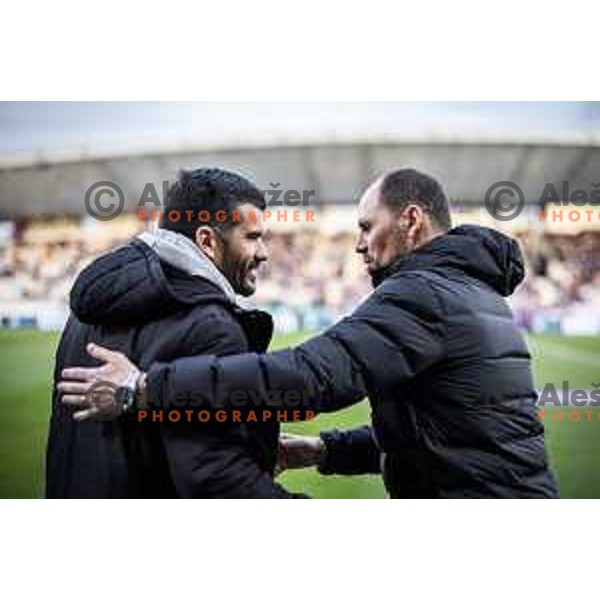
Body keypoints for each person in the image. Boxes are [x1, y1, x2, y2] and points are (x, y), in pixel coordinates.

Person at [58, 167, 559, 498]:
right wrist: (322, 450)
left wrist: (145, 387)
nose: (359, 245)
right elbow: (440, 434)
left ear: (411, 220)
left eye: (366, 227)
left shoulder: (427, 293)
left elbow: (311, 377)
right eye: (253, 237)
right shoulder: (469, 289)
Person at [47, 167, 298, 498]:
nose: (264, 252)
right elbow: (216, 482)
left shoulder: (85, 315)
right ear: (207, 241)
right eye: (252, 237)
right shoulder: (213, 328)